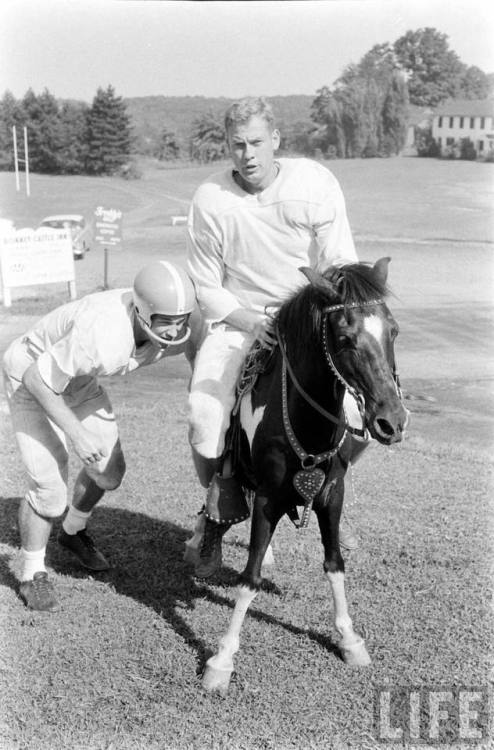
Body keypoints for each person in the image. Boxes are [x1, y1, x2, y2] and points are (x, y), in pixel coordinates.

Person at [185, 96, 362, 579]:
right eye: (237, 144)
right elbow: (205, 284)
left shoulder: (315, 183)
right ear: (228, 146)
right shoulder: (210, 198)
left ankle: (318, 486)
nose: (248, 155)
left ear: (276, 141)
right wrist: (247, 321)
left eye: (257, 142)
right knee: (205, 419)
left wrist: (320, 320)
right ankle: (216, 511)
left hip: (306, 323)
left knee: (360, 416)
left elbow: (338, 264)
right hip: (241, 320)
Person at [2, 260, 196, 612]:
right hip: (31, 376)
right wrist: (76, 434)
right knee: (49, 489)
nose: (175, 331)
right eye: (167, 322)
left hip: (76, 379)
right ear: (141, 312)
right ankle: (33, 574)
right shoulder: (103, 332)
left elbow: (207, 343)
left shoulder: (179, 321)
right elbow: (37, 379)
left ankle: (72, 531)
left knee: (109, 472)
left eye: (181, 320)